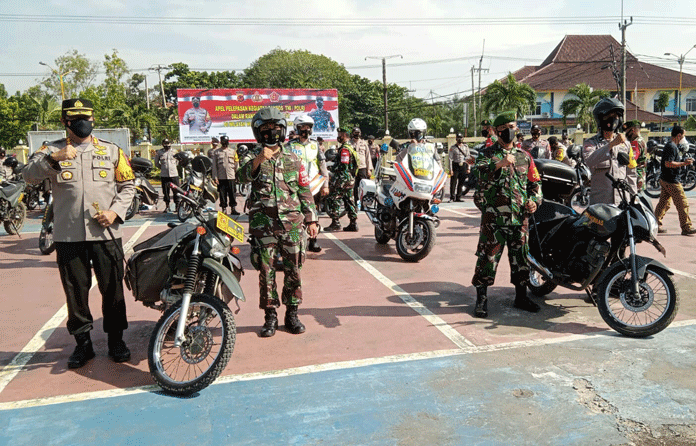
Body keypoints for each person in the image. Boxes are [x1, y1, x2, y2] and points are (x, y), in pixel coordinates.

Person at [23, 98, 135, 369]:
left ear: (93, 120)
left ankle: (116, 340)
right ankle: (83, 344)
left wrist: (115, 212)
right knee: (75, 292)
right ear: (65, 122)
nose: (83, 123)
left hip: (105, 233)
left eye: (87, 118)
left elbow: (128, 186)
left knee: (113, 290)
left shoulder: (111, 151)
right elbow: (28, 175)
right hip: (69, 235)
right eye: (76, 119)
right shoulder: (50, 150)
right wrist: (53, 159)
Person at [236, 107, 319, 337]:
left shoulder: (293, 158)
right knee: (266, 272)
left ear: (282, 131)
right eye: (266, 130)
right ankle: (270, 316)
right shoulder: (251, 157)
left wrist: (311, 219)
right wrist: (260, 159)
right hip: (264, 226)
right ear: (258, 133)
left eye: (276, 129)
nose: (271, 134)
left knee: (294, 270)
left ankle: (292, 314)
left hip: (292, 224)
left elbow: (304, 189)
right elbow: (240, 176)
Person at [471, 111, 543, 318]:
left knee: (520, 258)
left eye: (514, 127)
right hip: (493, 220)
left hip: (519, 219)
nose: (512, 131)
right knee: (487, 258)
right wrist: (499, 164)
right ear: (499, 131)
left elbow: (535, 183)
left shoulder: (524, 156)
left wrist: (534, 201)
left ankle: (521, 296)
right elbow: (478, 171)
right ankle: (482, 300)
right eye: (508, 128)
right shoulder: (487, 154)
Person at [287, 114, 330, 252]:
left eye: (308, 127)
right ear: (297, 128)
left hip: (313, 186)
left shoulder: (315, 145)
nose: (305, 130)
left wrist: (326, 184)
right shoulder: (289, 146)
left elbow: (323, 166)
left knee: (313, 214)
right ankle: (294, 242)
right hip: (294, 187)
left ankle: (313, 240)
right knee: (294, 216)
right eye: (302, 127)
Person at [582, 98, 631, 205]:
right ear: (601, 118)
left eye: (616, 116)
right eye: (609, 116)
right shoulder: (591, 143)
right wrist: (611, 144)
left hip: (622, 201)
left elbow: (631, 173)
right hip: (601, 203)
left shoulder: (626, 144)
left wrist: (634, 196)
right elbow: (590, 161)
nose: (613, 119)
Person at [654, 126, 696, 236]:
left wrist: (683, 161)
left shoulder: (672, 146)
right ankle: (686, 227)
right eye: (683, 135)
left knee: (664, 204)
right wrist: (684, 163)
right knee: (683, 204)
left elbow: (672, 161)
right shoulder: (671, 146)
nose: (684, 138)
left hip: (666, 179)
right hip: (671, 180)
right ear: (679, 135)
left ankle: (655, 224)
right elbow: (668, 163)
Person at [325, 127, 359, 232]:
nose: (338, 136)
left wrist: (332, 168)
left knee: (334, 199)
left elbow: (344, 165)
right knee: (349, 200)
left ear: (344, 135)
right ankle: (353, 223)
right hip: (350, 178)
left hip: (342, 178)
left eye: (339, 134)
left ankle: (336, 223)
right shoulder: (351, 147)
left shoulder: (345, 149)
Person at [211, 135, 239, 215]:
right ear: (221, 143)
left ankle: (233, 208)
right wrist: (215, 177)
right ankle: (224, 209)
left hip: (231, 176)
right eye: (223, 142)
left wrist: (237, 175)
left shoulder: (233, 151)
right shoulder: (216, 152)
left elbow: (236, 164)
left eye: (226, 142)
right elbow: (214, 166)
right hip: (221, 177)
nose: (225, 144)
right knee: (222, 194)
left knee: (232, 193)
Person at [154, 138, 180, 212]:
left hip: (174, 174)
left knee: (176, 191)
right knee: (165, 191)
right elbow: (156, 163)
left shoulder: (174, 151)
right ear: (163, 144)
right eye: (165, 144)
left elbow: (177, 162)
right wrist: (163, 168)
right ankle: (167, 206)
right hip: (164, 175)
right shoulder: (159, 152)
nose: (167, 146)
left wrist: (173, 167)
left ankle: (177, 206)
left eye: (168, 144)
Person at [350, 127, 373, 208]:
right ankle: (355, 203)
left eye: (358, 133)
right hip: (353, 168)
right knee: (354, 186)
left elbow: (368, 156)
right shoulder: (349, 143)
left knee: (364, 186)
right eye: (355, 133)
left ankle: (364, 204)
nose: (356, 135)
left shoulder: (363, 143)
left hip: (362, 167)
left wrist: (369, 169)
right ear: (352, 134)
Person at [622, 120, 647, 193]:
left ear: (632, 130)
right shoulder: (640, 140)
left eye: (626, 132)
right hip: (638, 177)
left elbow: (631, 159)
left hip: (635, 177)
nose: (626, 134)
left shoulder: (636, 143)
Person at [448, 133, 472, 202]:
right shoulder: (453, 148)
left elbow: (468, 158)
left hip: (463, 166)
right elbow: (450, 159)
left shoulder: (465, 147)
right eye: (458, 138)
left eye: (461, 138)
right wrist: (451, 169)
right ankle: (452, 197)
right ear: (456, 139)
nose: (460, 139)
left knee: (461, 182)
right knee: (453, 182)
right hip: (455, 165)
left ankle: (458, 197)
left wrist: (468, 168)